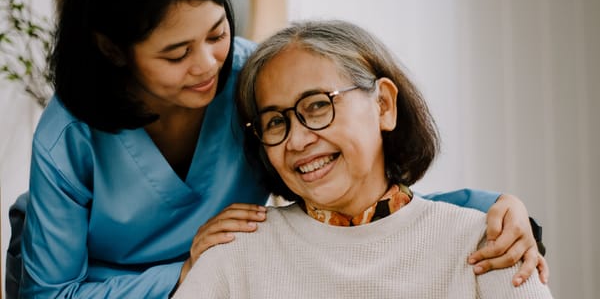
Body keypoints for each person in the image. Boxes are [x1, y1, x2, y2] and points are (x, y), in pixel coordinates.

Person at [16, 0, 544, 299]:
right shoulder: (69, 135)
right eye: (176, 54)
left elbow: (358, 178)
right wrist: (183, 270)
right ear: (114, 51)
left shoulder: (256, 80)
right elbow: (49, 294)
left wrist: (498, 208)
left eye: (217, 32)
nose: (206, 65)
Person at [172, 20, 553, 298]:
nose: (298, 139)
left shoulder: (492, 246)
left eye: (318, 105)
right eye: (276, 122)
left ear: (384, 105)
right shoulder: (233, 255)